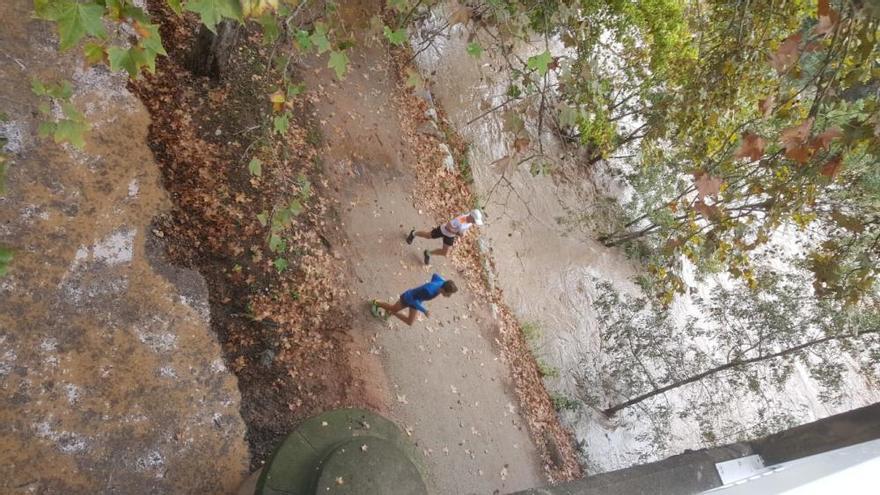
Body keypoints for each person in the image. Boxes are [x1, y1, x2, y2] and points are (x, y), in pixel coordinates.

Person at [370, 273, 457, 326]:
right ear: (443, 289)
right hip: (408, 298)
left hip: (417, 299)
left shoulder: (442, 281)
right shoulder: (428, 291)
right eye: (449, 294)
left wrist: (430, 284)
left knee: (410, 322)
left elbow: (435, 275)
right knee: (393, 308)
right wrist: (424, 310)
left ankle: (390, 313)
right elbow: (413, 301)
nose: (449, 296)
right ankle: (376, 302)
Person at [406, 209, 484, 265]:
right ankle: (413, 233)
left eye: (475, 221)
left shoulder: (470, 221)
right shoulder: (459, 220)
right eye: (474, 220)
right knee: (427, 236)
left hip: (450, 235)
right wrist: (457, 233)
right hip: (443, 230)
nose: (474, 222)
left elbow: (464, 229)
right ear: (471, 217)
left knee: (444, 252)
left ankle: (428, 253)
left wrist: (462, 233)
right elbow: (447, 226)